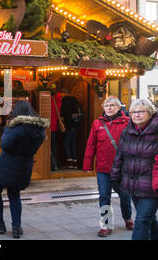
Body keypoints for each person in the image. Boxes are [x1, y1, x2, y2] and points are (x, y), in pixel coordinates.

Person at [0, 100, 49, 238]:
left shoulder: (17, 129)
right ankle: (16, 228)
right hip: (24, 168)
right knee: (14, 195)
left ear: (17, 112)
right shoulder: (39, 131)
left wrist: (7, 129)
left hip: (7, 166)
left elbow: (5, 145)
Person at [83, 96, 133, 237]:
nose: (109, 108)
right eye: (107, 106)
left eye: (112, 105)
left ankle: (127, 218)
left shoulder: (128, 122)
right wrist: (87, 164)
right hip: (103, 168)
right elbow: (91, 144)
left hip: (122, 168)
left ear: (119, 107)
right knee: (104, 197)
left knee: (125, 196)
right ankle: (106, 225)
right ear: (103, 108)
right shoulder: (97, 124)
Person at [111, 99, 158, 240]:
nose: (137, 115)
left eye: (141, 111)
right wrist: (115, 178)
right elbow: (120, 156)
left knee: (142, 220)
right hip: (132, 184)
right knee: (148, 218)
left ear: (150, 113)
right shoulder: (127, 132)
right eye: (133, 112)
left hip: (151, 186)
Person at [61, 94, 83, 168]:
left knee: (66, 142)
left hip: (69, 126)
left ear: (63, 93)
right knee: (73, 143)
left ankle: (69, 161)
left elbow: (66, 114)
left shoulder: (65, 101)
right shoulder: (75, 102)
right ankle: (75, 162)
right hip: (76, 125)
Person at [50, 87, 62, 171]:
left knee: (48, 147)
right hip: (54, 126)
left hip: (48, 126)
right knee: (54, 147)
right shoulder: (58, 99)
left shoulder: (49, 99)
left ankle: (51, 165)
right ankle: (55, 165)